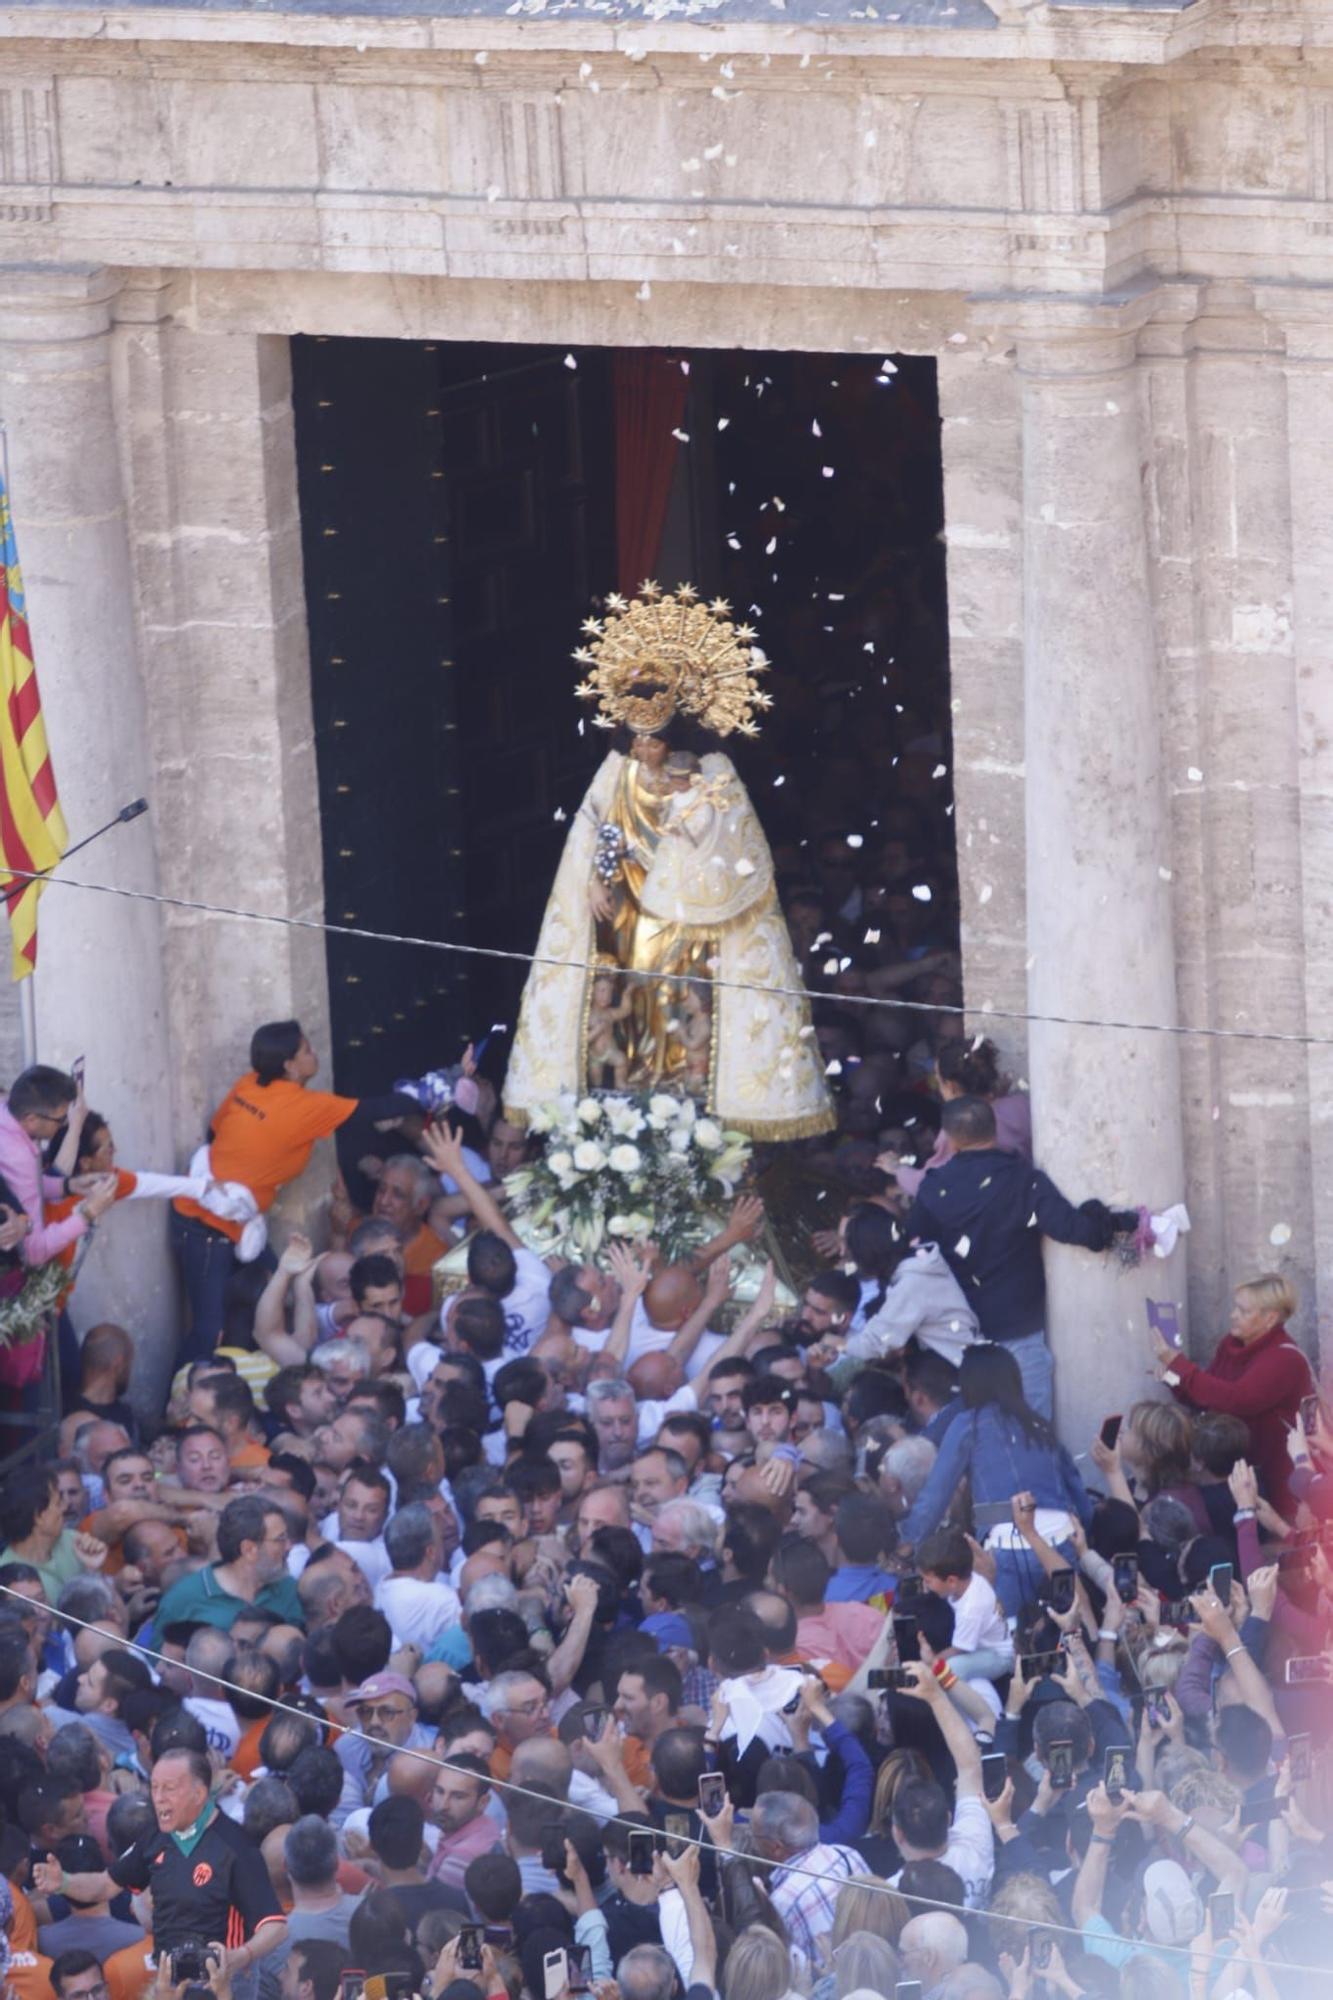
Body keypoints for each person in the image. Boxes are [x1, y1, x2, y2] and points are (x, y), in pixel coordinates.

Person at [503, 585, 833, 1137]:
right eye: (635, 738)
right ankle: (631, 1078)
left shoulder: (711, 773)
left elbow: (733, 849)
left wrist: (691, 826)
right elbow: (595, 830)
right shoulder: (617, 773)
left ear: (671, 733)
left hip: (688, 912)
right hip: (626, 905)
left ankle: (681, 1078)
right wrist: (594, 880)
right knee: (630, 988)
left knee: (676, 993)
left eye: (652, 740)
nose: (642, 749)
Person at [170, 1019, 418, 1362]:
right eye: (306, 1050)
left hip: (224, 1220)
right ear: (289, 1065)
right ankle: (180, 1406)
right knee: (209, 1329)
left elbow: (216, 1134)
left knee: (278, 1294)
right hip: (206, 1227)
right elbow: (380, 1109)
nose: (314, 1053)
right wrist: (441, 1088)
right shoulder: (307, 1107)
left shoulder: (248, 1085)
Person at [904, 1096, 1139, 1416]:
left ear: (950, 1138)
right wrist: (1125, 1221)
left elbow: (913, 1251)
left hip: (958, 1342)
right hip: (1017, 1333)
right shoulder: (1022, 1179)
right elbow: (1079, 1232)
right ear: (995, 1129)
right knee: (1031, 1439)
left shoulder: (933, 1189)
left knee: (973, 1444)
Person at [33, 1747, 287, 1978]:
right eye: (154, 1787)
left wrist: (242, 1955)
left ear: (198, 1794)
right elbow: (105, 1885)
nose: (159, 1798)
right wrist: (64, 1882)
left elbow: (275, 1925)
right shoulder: (156, 1836)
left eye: (169, 1788)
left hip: (222, 1982)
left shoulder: (237, 1848)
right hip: (169, 1981)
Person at [898, 1344, 1093, 1616]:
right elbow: (1075, 1488)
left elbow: (936, 1495)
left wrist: (909, 1544)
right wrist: (1087, 1541)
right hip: (1061, 1542)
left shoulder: (968, 1423)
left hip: (1008, 1550)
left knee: (1013, 1641)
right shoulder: (1037, 1423)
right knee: (1070, 1632)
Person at [1153, 1273, 1314, 1512]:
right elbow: (1205, 1396)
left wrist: (1178, 1363)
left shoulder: (1285, 1359)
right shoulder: (1232, 1345)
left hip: (1269, 1481)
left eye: (1243, 1311)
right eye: (1235, 1307)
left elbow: (1236, 1400)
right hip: (1227, 1472)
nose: (1233, 1315)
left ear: (1270, 1319)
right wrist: (1171, 1375)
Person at [152, 1496, 303, 1640]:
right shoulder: (182, 1600)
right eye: (280, 1539)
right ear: (249, 1550)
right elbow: (158, 1664)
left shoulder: (290, 1590)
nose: (289, 1546)